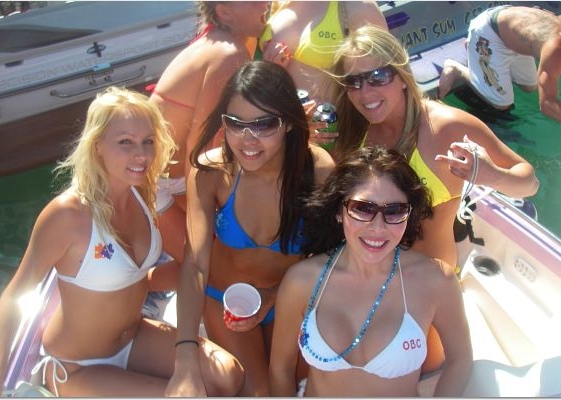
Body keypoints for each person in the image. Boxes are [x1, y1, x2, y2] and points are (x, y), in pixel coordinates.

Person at [0, 87, 244, 397]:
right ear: (97, 146)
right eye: (126, 143)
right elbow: (15, 296)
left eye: (148, 141)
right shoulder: (67, 215)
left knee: (229, 377)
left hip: (135, 337)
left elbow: (153, 274)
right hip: (77, 365)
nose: (142, 155)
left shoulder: (144, 193)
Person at [328, 25, 539, 374]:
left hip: (425, 290)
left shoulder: (445, 126)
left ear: (401, 73)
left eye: (378, 76)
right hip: (365, 279)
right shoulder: (354, 130)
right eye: (353, 82)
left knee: (423, 375)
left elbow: (528, 181)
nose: (365, 92)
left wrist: (491, 176)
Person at [166, 60, 335, 396]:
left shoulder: (317, 171)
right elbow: (196, 265)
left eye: (264, 124)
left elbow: (331, 256)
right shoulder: (211, 172)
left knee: (302, 387)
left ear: (288, 123)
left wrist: (274, 297)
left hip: (289, 300)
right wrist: (185, 360)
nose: (248, 139)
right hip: (226, 303)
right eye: (235, 123)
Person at [270, 145, 473, 396]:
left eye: (394, 211)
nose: (378, 227)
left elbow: (460, 360)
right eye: (363, 208)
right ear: (339, 212)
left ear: (409, 215)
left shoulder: (436, 280)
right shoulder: (301, 280)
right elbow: (280, 368)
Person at [149, 1, 270, 262]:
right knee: (207, 264)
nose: (266, 2)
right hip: (151, 181)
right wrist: (204, 218)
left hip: (166, 177)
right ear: (224, 12)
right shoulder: (229, 54)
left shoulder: (218, 44)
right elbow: (201, 155)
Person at [258, 1, 387, 147]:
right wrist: (269, 71)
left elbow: (391, 78)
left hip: (340, 140)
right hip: (290, 140)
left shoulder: (356, 6)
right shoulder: (267, 6)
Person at [438, 6, 561, 129]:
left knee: (530, 86)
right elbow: (547, 104)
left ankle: (481, 56)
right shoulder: (558, 51)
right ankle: (459, 67)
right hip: (489, 34)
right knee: (501, 103)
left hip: (515, 31)